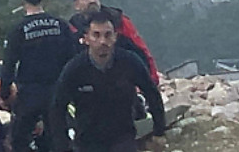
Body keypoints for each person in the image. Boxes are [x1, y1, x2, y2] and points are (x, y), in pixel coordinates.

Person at [49, 10, 165, 152]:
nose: (102, 41)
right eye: (96, 35)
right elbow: (57, 107)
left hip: (123, 138)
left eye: (107, 35)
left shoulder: (129, 62)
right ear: (86, 38)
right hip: (87, 142)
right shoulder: (75, 69)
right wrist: (62, 146)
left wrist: (159, 131)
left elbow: (151, 93)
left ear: (115, 37)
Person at [0, 0, 76, 152]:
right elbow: (73, 60)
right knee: (58, 140)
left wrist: (4, 94)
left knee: (20, 140)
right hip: (58, 92)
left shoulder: (18, 30)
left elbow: (8, 65)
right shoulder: (61, 26)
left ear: (22, 0)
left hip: (29, 94)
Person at [69, 0, 158, 85]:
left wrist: (152, 80)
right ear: (76, 5)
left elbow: (142, 50)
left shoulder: (120, 21)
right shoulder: (72, 29)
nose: (91, 1)